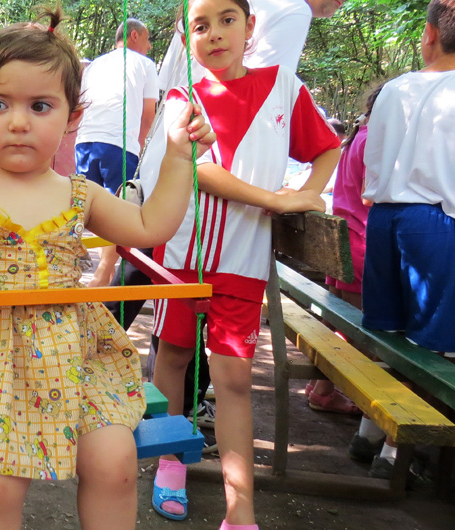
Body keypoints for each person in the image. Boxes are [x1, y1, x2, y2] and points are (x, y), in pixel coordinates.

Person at [0, 7, 215, 529]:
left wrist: (177, 158)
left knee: (115, 463)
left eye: (40, 105)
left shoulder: (81, 194)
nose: (18, 121)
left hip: (73, 354)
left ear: (72, 116)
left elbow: (149, 225)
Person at [149, 0, 341, 525]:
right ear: (188, 39)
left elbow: (328, 148)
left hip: (243, 259)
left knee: (233, 379)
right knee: (173, 356)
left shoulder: (284, 87)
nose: (214, 34)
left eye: (226, 20)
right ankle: (169, 464)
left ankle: (241, 512)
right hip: (182, 254)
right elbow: (200, 171)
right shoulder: (183, 95)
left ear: (250, 26)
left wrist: (307, 193)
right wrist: (277, 199)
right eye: (200, 26)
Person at [361, 0, 455, 479]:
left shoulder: (395, 88)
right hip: (437, 222)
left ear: (429, 34)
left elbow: (373, 161)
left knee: (391, 333)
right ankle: (398, 454)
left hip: (386, 218)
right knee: (432, 347)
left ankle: (369, 432)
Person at [306, 92, 382, 416]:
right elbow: (370, 195)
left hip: (343, 241)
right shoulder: (374, 141)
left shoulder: (357, 137)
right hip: (362, 243)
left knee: (336, 319)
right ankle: (327, 392)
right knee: (358, 329)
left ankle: (320, 386)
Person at [75, 18, 159, 288]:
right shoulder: (144, 64)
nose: (149, 46)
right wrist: (142, 147)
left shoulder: (95, 65)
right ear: (134, 36)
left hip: (85, 142)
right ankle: (103, 274)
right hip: (119, 144)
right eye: (147, 39)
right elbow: (149, 114)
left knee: (86, 209)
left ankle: (80, 269)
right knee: (118, 212)